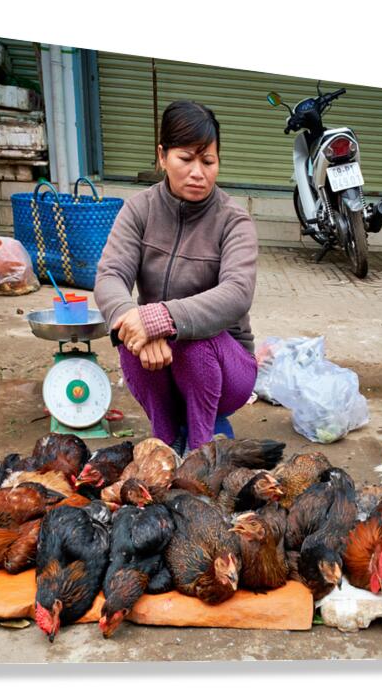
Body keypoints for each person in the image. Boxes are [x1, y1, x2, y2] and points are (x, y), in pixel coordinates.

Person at [94, 100, 259, 454]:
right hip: (160, 363)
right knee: (127, 331)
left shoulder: (234, 221)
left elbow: (237, 292)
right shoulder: (139, 209)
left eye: (208, 161)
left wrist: (162, 319)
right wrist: (134, 320)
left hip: (228, 370)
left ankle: (200, 451)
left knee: (191, 338)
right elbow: (110, 275)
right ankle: (165, 440)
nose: (198, 173)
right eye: (186, 159)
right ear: (162, 156)